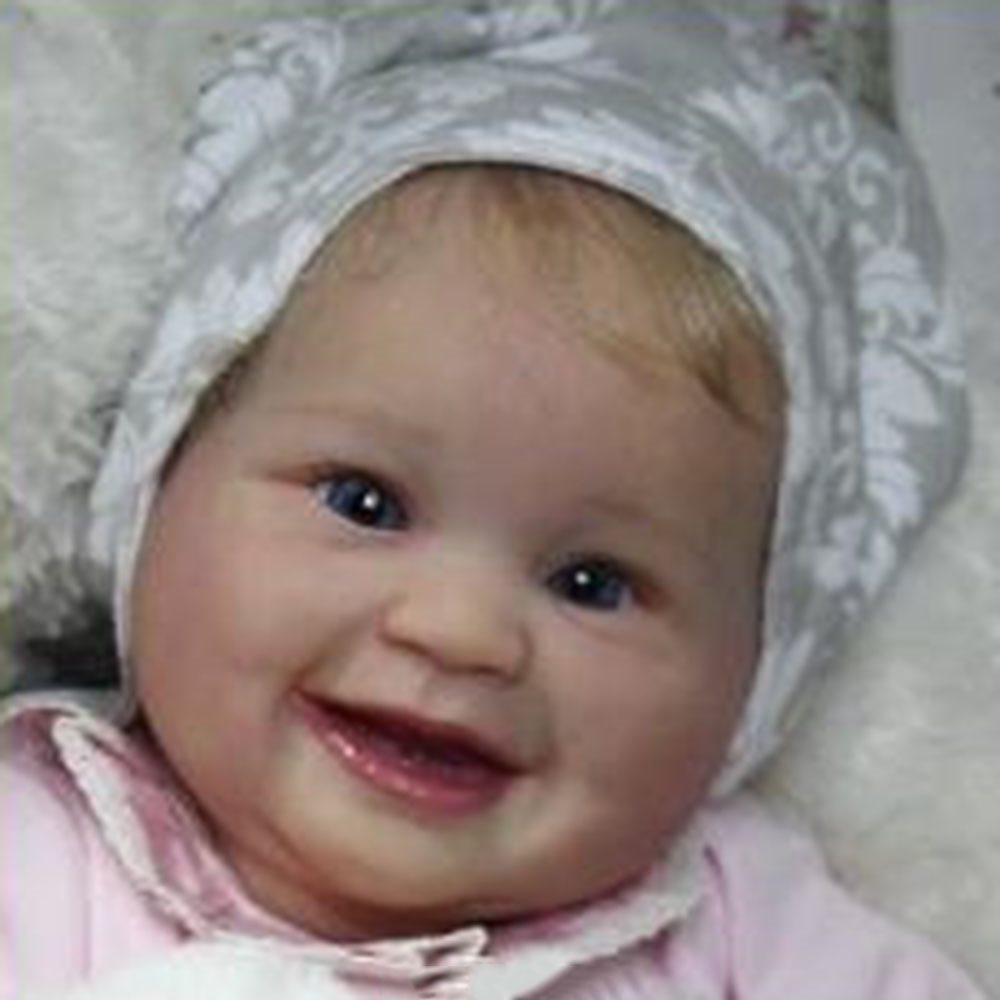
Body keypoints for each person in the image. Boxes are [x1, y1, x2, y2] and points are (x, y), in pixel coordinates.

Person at [0, 2, 984, 997]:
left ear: (756, 681)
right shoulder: (33, 858)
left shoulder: (750, 929)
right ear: (154, 483)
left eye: (593, 583)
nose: (460, 632)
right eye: (365, 503)